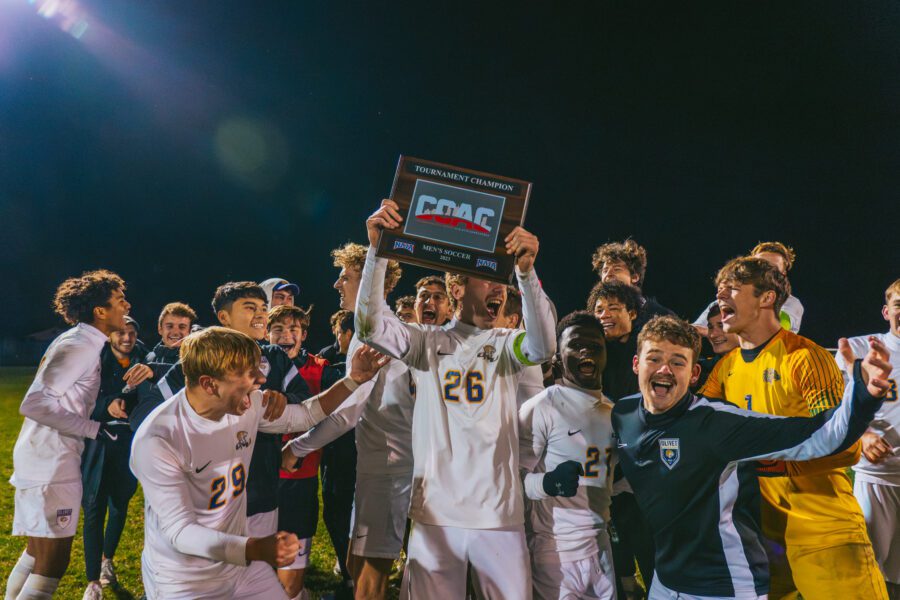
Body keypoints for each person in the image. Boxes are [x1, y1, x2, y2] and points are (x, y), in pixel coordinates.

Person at [357, 199, 556, 599]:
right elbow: (369, 326)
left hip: (499, 518)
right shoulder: (425, 343)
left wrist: (527, 273)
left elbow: (543, 345)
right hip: (435, 516)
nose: (499, 286)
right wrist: (377, 252)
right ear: (456, 288)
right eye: (487, 277)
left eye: (501, 280)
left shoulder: (506, 344)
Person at [613, 315, 891, 599]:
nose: (664, 370)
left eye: (677, 362)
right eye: (654, 358)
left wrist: (862, 397)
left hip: (725, 585)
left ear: (694, 374)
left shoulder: (716, 424)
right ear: (636, 364)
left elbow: (818, 435)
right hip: (666, 580)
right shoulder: (622, 414)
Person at [130, 326, 389, 599]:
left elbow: (304, 415)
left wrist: (353, 380)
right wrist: (255, 548)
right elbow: (180, 532)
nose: (262, 379)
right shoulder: (158, 439)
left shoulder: (246, 402)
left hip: (240, 566)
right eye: (248, 373)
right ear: (209, 384)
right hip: (184, 578)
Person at [700, 257, 885, 599]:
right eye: (718, 289)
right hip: (762, 535)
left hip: (822, 529)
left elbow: (844, 445)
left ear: (766, 298)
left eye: (732, 288)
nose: (720, 295)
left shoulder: (804, 357)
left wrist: (774, 458)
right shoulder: (724, 369)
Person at [6, 270, 130, 600]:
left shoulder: (79, 339)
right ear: (100, 311)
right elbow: (34, 403)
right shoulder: (80, 345)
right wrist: (95, 429)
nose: (127, 306)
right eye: (120, 300)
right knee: (53, 563)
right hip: (52, 460)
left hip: (42, 455)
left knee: (35, 554)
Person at [519, 311, 616, 600]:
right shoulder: (541, 406)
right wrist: (546, 484)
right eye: (575, 344)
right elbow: (510, 480)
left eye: (595, 345)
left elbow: (609, 478)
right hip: (555, 548)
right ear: (559, 358)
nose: (586, 350)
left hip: (601, 545)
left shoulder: (614, 413)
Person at [587, 279, 654, 597]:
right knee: (615, 531)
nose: (605, 315)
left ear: (631, 312)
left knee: (645, 533)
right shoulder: (592, 352)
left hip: (642, 457)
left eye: (614, 308)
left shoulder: (647, 349)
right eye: (599, 309)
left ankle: (657, 587)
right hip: (607, 458)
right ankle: (626, 588)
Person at [267, 304, 339, 600]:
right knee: (260, 561)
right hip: (259, 481)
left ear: (304, 335)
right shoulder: (256, 365)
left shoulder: (320, 370)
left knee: (293, 565)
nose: (286, 336)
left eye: (293, 330)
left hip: (300, 480)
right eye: (278, 330)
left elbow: (335, 421)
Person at [836, 278, 900, 600]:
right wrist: (862, 434)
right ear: (886, 311)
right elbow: (830, 404)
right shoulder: (863, 349)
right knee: (865, 573)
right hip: (876, 479)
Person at [81, 316, 151, 600]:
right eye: (120, 333)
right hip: (98, 441)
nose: (126, 338)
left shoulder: (146, 358)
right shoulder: (94, 359)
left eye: (132, 333)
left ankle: (107, 560)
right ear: (109, 336)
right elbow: (81, 399)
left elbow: (151, 397)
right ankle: (92, 581)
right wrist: (105, 406)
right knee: (94, 508)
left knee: (120, 505)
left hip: (129, 443)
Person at [694, 241, 804, 335]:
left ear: (783, 274)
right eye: (758, 265)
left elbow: (774, 329)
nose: (764, 271)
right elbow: (695, 329)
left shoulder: (791, 303)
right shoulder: (724, 300)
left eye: (772, 268)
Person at [591, 239, 675, 332]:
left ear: (634, 277)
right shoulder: (598, 314)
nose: (608, 274)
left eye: (617, 269)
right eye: (605, 270)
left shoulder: (662, 316)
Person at [693, 304, 739, 391]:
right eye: (710, 327)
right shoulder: (704, 369)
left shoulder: (765, 361)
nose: (713, 335)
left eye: (722, 326)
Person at [145, 302, 198, 366]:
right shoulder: (148, 358)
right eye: (170, 326)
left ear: (190, 331)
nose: (175, 332)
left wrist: (154, 370)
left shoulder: (196, 358)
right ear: (160, 329)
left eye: (182, 327)